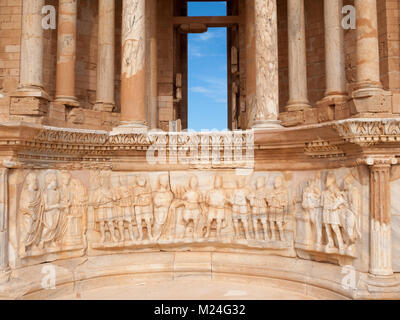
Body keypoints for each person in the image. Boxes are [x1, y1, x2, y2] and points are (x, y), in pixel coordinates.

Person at [249, 176, 270, 241]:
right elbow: (249, 197)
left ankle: (266, 235)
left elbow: (268, 200)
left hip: (262, 207)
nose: (257, 183)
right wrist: (251, 198)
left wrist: (266, 198)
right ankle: (256, 236)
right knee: (254, 221)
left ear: (262, 183)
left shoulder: (265, 191)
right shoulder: (254, 191)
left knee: (264, 221)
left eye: (258, 182)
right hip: (255, 207)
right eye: (257, 182)